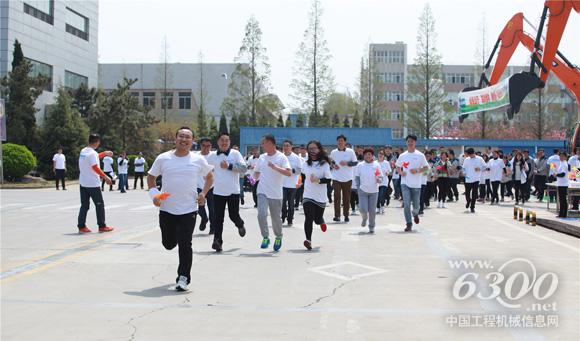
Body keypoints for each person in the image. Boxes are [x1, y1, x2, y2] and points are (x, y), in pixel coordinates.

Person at [147, 126, 214, 291]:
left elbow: (210, 177)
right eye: (181, 137)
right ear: (175, 139)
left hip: (189, 209)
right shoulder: (163, 158)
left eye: (187, 137)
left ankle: (183, 277)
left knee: (186, 244)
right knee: (168, 244)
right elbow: (151, 177)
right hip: (167, 208)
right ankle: (175, 237)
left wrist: (203, 194)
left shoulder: (197, 160)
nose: (184, 140)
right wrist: (155, 196)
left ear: (192, 141)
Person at [206, 132, 248, 252]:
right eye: (222, 140)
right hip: (218, 191)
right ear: (218, 142)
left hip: (233, 191)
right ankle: (217, 241)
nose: (224, 142)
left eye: (227, 140)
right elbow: (206, 169)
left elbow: (244, 168)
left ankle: (240, 224)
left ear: (229, 142)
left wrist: (229, 166)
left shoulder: (235, 154)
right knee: (218, 218)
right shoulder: (212, 156)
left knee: (233, 215)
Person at [254, 134, 291, 252]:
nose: (262, 145)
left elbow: (289, 173)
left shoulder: (281, 157)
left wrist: (275, 168)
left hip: (275, 193)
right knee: (261, 214)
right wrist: (253, 179)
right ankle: (265, 237)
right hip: (262, 190)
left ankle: (278, 236)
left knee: (276, 218)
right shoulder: (262, 157)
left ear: (270, 143)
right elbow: (257, 172)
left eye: (263, 143)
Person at [77, 134, 115, 234]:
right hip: (92, 184)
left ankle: (81, 226)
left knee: (84, 205)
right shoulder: (92, 153)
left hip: (83, 183)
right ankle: (102, 225)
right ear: (97, 142)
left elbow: (95, 157)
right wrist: (105, 177)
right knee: (99, 205)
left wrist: (104, 153)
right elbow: (95, 166)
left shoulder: (84, 151)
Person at [301, 140, 331, 250]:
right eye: (310, 149)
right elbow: (303, 176)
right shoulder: (305, 163)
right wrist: (298, 182)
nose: (312, 151)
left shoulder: (324, 164)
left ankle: (321, 221)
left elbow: (328, 180)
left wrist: (318, 180)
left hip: (320, 197)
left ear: (319, 149)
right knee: (308, 218)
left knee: (317, 219)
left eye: (314, 148)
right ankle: (308, 240)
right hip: (308, 195)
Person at [396, 135, 428, 232]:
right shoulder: (402, 156)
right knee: (406, 204)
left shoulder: (420, 155)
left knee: (416, 207)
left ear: (415, 143)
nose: (410, 143)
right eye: (408, 141)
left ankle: (415, 214)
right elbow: (397, 166)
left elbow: (426, 168)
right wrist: (401, 172)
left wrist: (418, 170)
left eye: (412, 141)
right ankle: (409, 223)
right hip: (405, 183)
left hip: (416, 185)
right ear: (406, 142)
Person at [330, 135, 358, 222]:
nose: (340, 142)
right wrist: (334, 165)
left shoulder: (350, 151)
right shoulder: (333, 152)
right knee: (337, 197)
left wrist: (347, 163)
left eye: (342, 141)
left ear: (345, 142)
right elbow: (331, 162)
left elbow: (355, 163)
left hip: (347, 178)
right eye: (339, 141)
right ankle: (337, 216)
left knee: (346, 198)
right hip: (336, 178)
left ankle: (346, 215)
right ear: (337, 142)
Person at [355, 148, 381, 233]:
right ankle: (364, 218)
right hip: (363, 190)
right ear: (364, 155)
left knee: (372, 211)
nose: (368, 156)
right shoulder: (360, 165)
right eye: (366, 154)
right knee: (363, 209)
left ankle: (371, 226)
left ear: (372, 155)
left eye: (369, 154)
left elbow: (380, 176)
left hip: (374, 191)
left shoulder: (376, 165)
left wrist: (379, 179)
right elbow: (357, 177)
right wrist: (358, 188)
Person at [281, 140, 302, 227]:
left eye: (288, 146)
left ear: (291, 147)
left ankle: (290, 219)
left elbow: (300, 170)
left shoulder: (296, 158)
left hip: (292, 184)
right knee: (282, 202)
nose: (286, 147)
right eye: (284, 146)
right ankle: (282, 217)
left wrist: (291, 171)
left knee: (290, 203)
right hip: (281, 184)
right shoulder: (280, 157)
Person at [197, 137, 215, 234]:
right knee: (200, 207)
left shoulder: (214, 156)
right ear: (200, 146)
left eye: (208, 146)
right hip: (198, 186)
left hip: (212, 186)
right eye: (204, 146)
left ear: (211, 146)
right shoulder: (195, 156)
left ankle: (213, 228)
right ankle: (204, 219)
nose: (206, 148)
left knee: (212, 209)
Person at [462, 148, 486, 213]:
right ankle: (468, 201)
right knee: (467, 193)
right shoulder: (466, 159)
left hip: (476, 179)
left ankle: (472, 207)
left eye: (471, 154)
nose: (470, 156)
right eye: (469, 155)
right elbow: (463, 168)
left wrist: (480, 169)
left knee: (474, 194)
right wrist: (463, 172)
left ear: (473, 153)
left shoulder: (479, 159)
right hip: (468, 179)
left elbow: (485, 166)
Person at [555, 152, 570, 218]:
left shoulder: (564, 164)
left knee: (563, 200)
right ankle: (561, 213)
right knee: (561, 199)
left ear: (565, 157)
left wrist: (556, 175)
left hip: (563, 184)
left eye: (562, 156)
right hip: (561, 183)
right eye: (560, 156)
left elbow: (563, 174)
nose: (561, 157)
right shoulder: (561, 163)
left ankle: (563, 214)